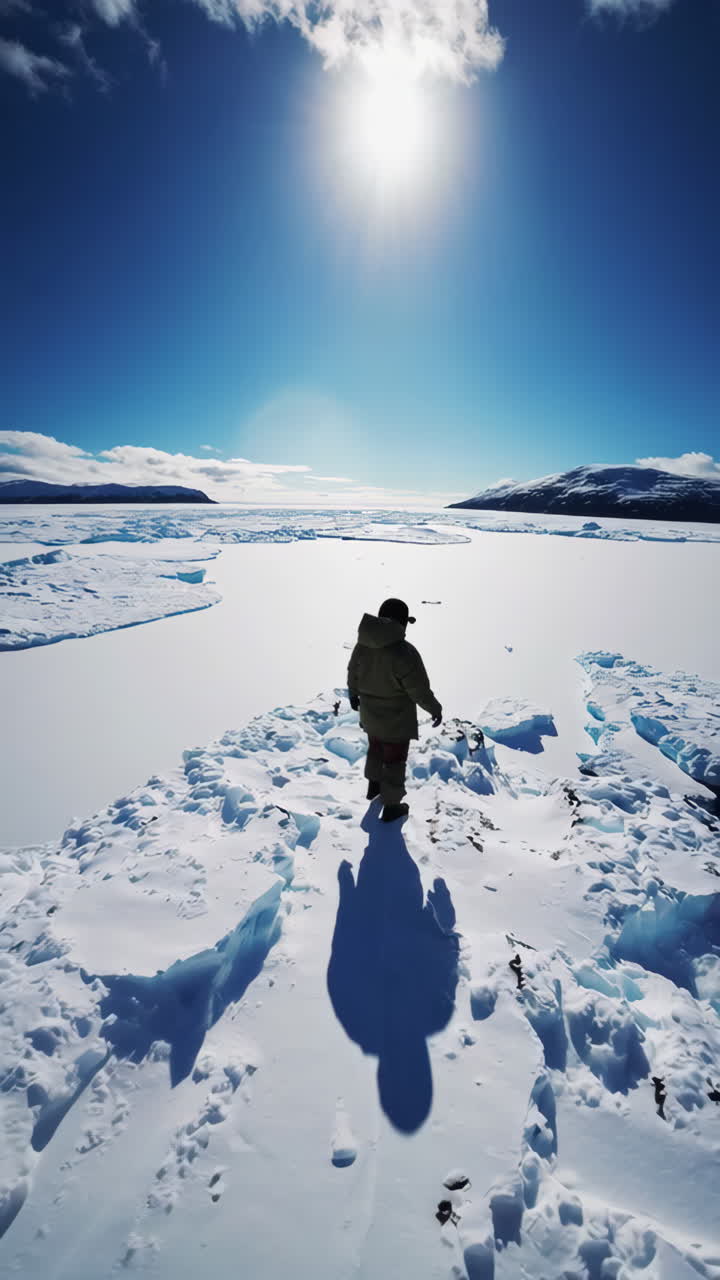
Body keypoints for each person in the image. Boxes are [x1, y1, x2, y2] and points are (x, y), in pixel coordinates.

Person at [347, 598, 442, 822]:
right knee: (394, 761)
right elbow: (419, 689)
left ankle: (374, 787)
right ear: (402, 622)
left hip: (370, 715)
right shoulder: (405, 652)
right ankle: (391, 807)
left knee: (375, 749)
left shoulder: (363, 645)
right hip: (397, 721)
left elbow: (353, 671)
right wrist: (434, 709)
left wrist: (353, 694)